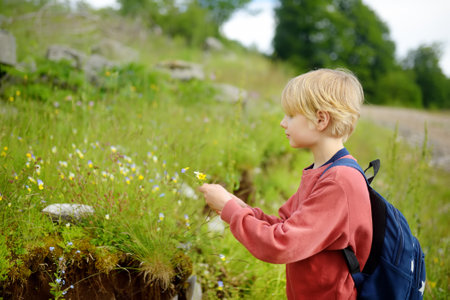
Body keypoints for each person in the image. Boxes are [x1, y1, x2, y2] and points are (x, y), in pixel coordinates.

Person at [198, 68, 372, 299]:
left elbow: (280, 243)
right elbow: (285, 225)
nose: (282, 123)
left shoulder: (339, 181)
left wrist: (231, 213)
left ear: (321, 119)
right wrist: (237, 205)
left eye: (290, 115)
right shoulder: (324, 170)